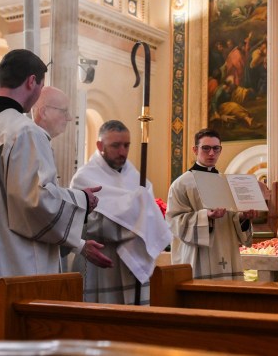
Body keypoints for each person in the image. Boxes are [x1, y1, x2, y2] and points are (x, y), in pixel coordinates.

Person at [0, 49, 110, 340]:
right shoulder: (24, 132)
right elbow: (36, 202)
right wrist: (82, 200)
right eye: (41, 84)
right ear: (32, 81)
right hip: (8, 265)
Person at [70, 120, 172, 304]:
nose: (122, 152)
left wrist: (134, 215)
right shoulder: (85, 178)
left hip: (130, 268)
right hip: (100, 263)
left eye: (126, 145)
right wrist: (134, 219)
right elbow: (83, 223)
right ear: (100, 145)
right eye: (115, 146)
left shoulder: (136, 178)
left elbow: (148, 215)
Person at [166, 128, 255, 280]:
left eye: (216, 148)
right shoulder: (181, 184)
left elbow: (231, 219)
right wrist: (205, 216)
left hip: (227, 253)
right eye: (206, 148)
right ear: (195, 150)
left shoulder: (227, 183)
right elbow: (174, 222)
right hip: (198, 258)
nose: (211, 153)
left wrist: (243, 218)